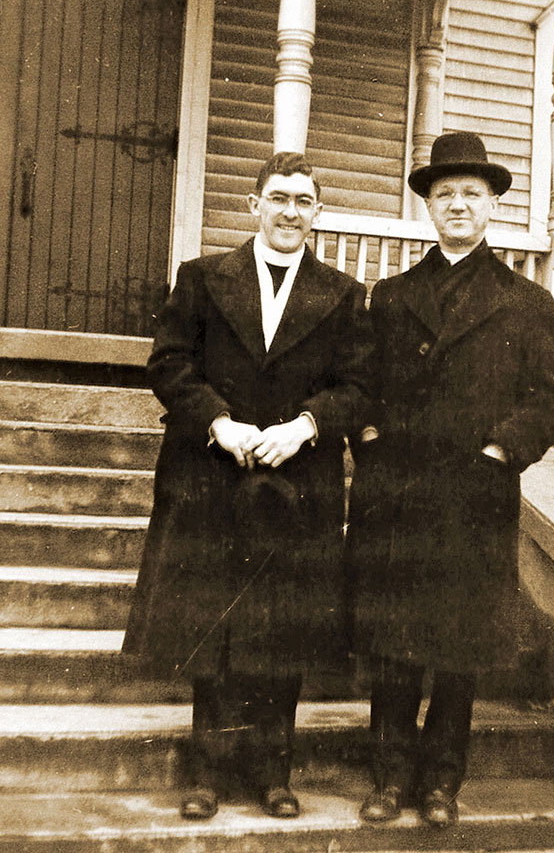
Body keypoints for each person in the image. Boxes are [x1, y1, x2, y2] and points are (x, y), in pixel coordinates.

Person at [123, 152, 374, 821]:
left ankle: (272, 772)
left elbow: (357, 386)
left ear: (316, 213)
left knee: (283, 629)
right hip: (211, 474)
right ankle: (205, 771)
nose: (291, 210)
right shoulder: (202, 279)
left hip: (297, 483)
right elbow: (168, 362)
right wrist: (218, 423)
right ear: (253, 204)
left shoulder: (345, 294)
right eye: (279, 197)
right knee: (215, 625)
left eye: (304, 200)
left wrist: (308, 425)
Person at [346, 132, 554, 828]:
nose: (457, 205)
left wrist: (500, 452)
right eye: (444, 194)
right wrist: (372, 441)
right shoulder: (388, 296)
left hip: (474, 494)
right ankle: (388, 777)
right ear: (426, 207)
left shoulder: (525, 301)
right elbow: (359, 385)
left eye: (470, 193)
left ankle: (441, 781)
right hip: (398, 497)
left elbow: (547, 397)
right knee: (391, 643)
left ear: (492, 204)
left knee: (458, 647)